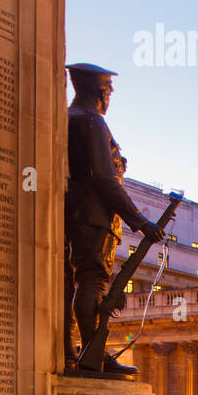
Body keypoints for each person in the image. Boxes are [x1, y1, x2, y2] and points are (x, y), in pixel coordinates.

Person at [64, 63, 164, 375]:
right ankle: (93, 355)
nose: (112, 94)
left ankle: (75, 352)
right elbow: (105, 179)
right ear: (100, 91)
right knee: (92, 280)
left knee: (78, 282)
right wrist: (140, 220)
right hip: (94, 215)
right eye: (109, 88)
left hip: (79, 212)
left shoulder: (70, 118)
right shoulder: (91, 120)